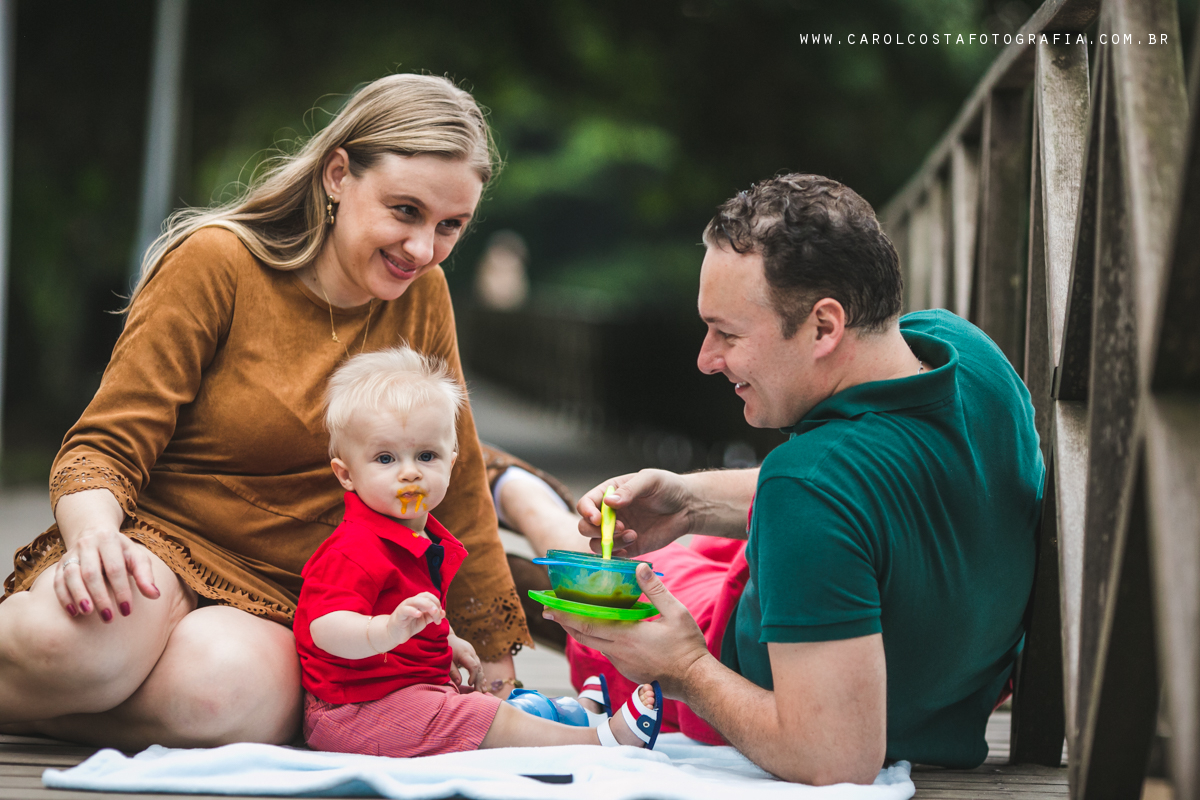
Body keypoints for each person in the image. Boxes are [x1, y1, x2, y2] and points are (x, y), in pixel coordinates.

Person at [0, 74, 534, 749]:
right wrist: (93, 539)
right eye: (404, 211)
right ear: (338, 174)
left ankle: (40, 710)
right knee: (82, 644)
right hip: (165, 540)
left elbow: (453, 481)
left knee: (228, 701)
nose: (423, 248)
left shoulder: (423, 295)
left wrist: (493, 651)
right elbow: (104, 446)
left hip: (297, 595)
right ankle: (60, 676)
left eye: (450, 225)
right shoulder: (217, 261)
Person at [536, 174, 1044, 784]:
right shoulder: (965, 352)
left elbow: (835, 759)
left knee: (600, 582)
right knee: (697, 540)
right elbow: (865, 501)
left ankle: (524, 499)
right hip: (950, 691)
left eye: (727, 333)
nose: (705, 359)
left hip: (736, 666)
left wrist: (685, 669)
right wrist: (691, 501)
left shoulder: (808, 489)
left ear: (825, 327)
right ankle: (539, 502)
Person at [297, 346, 661, 756]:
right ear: (346, 474)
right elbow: (324, 628)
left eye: (426, 455)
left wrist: (448, 640)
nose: (410, 471)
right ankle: (597, 741)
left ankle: (573, 713)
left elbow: (422, 611)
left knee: (480, 704)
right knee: (480, 716)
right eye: (385, 458)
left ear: (452, 463)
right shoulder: (353, 549)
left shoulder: (419, 539)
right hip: (353, 711)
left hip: (401, 694)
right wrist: (384, 631)